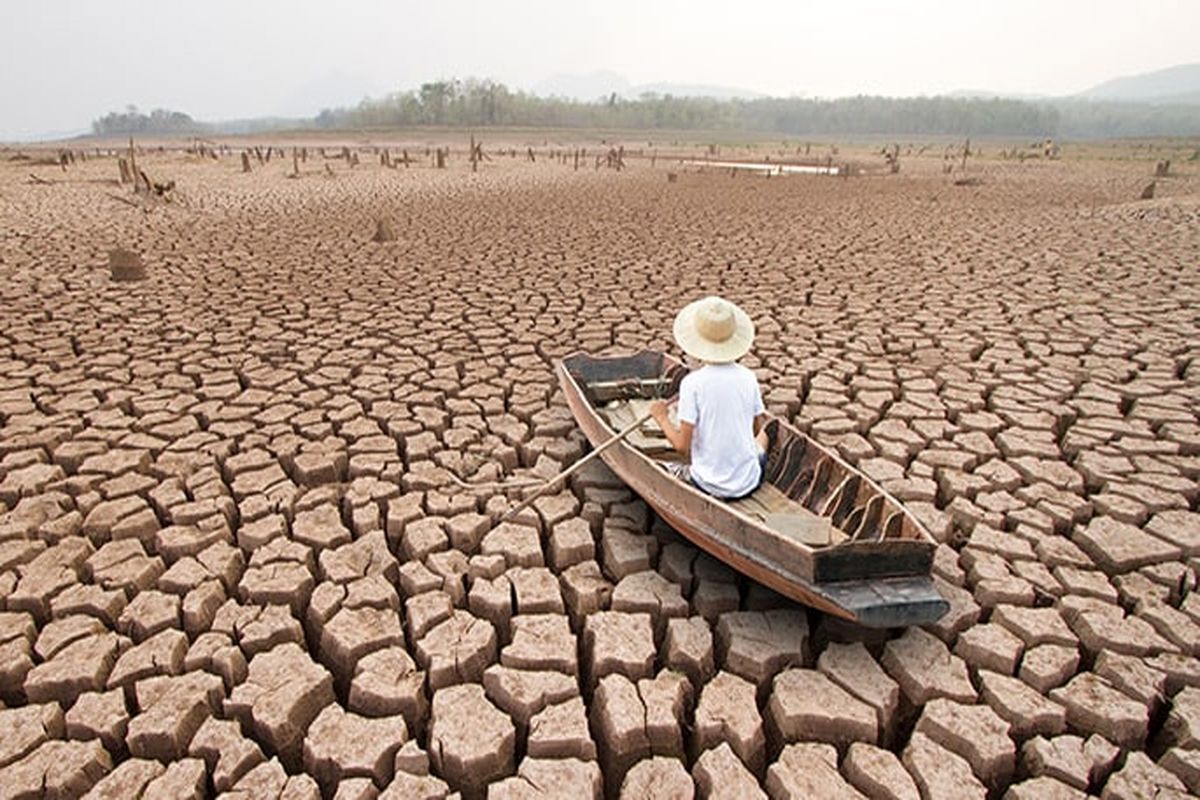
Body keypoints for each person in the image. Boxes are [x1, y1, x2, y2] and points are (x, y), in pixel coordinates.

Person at [650, 295, 768, 500]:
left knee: (660, 467)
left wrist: (661, 417)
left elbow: (682, 448)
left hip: (708, 484)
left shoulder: (693, 383)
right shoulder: (748, 378)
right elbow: (757, 430)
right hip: (750, 481)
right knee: (764, 438)